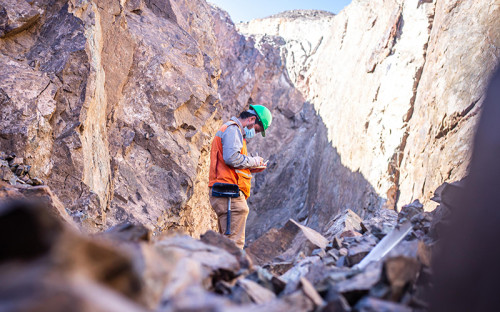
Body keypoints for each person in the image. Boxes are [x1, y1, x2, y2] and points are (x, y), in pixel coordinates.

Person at [208, 104, 272, 249]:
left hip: (227, 191)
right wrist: (253, 161)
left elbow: (232, 165)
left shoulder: (233, 131)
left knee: (227, 242)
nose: (254, 134)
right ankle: (227, 271)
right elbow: (231, 158)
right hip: (228, 193)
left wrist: (253, 167)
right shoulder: (233, 129)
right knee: (233, 245)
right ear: (251, 119)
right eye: (256, 129)